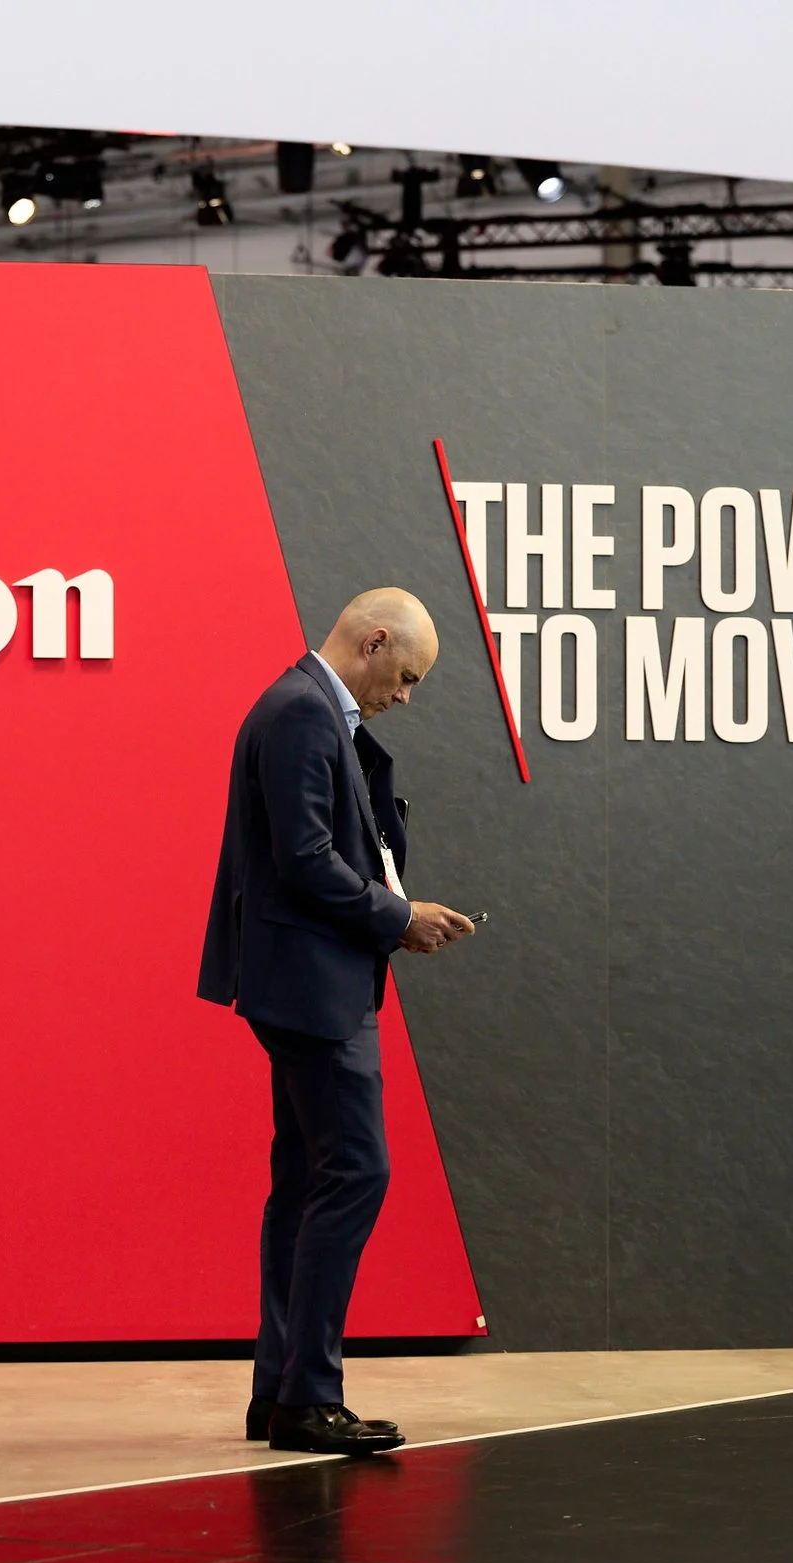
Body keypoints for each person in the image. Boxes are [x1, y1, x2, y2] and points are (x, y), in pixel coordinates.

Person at [197, 589, 477, 1457]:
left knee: (306, 1183)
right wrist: (399, 918)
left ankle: (280, 1393)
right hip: (314, 993)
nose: (406, 696)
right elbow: (307, 859)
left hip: (305, 985)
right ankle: (309, 1395)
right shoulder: (301, 713)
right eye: (407, 676)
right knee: (355, 1172)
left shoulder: (304, 709)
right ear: (375, 641)